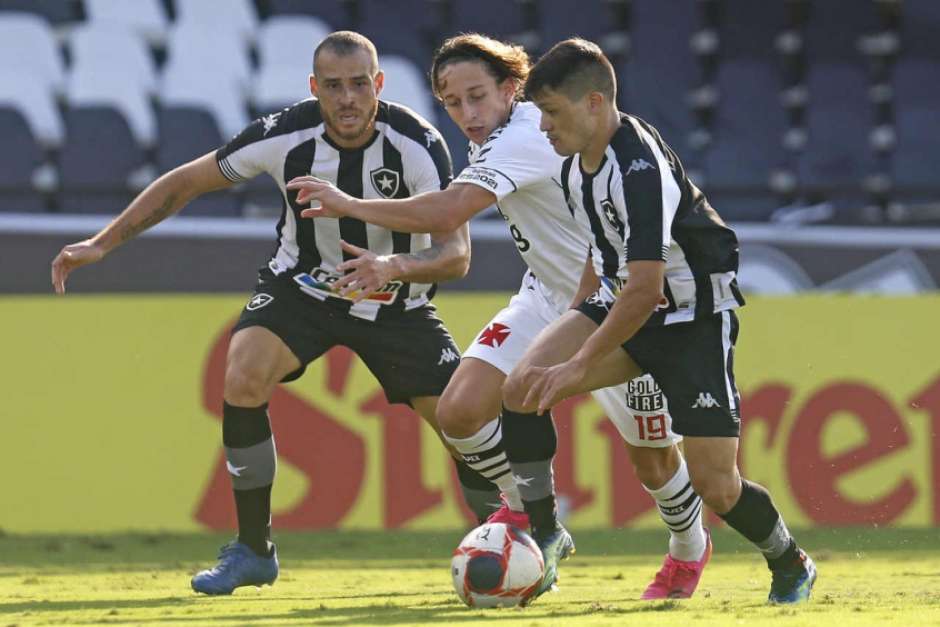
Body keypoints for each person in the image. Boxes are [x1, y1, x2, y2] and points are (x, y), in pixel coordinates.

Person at [49, 31, 502, 595]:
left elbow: (456, 256)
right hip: (305, 290)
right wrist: (102, 243)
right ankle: (253, 550)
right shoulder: (284, 134)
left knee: (461, 422)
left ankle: (505, 540)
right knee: (243, 372)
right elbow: (187, 181)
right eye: (333, 87)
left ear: (379, 84)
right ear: (314, 88)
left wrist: (392, 266)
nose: (347, 99)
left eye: (359, 85)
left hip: (394, 300)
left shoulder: (417, 143)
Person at [287, 33, 711, 601]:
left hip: (613, 304)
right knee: (459, 410)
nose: (467, 113)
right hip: (545, 297)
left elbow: (449, 210)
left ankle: (688, 547)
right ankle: (534, 515)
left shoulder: (528, 134)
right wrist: (392, 263)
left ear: (512, 89)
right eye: (453, 102)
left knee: (654, 463)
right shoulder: (494, 140)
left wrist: (348, 203)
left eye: (477, 97)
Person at [511, 38, 817, 604]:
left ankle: (789, 560)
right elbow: (601, 252)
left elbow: (647, 288)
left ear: (594, 103)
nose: (544, 126)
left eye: (551, 112)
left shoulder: (639, 169)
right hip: (624, 302)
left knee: (716, 486)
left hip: (691, 320)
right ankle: (546, 535)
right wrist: (575, 316)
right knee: (522, 386)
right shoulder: (575, 164)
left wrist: (579, 362)